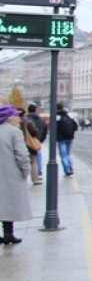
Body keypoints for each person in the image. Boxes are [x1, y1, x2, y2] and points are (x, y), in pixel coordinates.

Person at [0, 104, 32, 245]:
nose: (19, 119)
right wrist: (26, 171)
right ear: (9, 118)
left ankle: (7, 235)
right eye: (17, 116)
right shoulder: (14, 132)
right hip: (10, 174)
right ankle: (8, 234)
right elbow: (22, 155)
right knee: (8, 204)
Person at [19, 108, 43, 185]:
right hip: (29, 144)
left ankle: (23, 179)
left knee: (20, 162)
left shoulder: (14, 122)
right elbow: (34, 132)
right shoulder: (27, 121)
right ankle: (35, 179)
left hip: (19, 144)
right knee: (33, 162)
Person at [55, 102, 78, 176]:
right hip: (70, 138)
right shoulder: (68, 115)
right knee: (68, 154)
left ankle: (67, 170)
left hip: (61, 139)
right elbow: (75, 127)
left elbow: (54, 128)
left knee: (63, 155)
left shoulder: (57, 117)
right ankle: (71, 168)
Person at [26, 103, 47, 181]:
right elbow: (45, 130)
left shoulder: (25, 119)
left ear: (28, 110)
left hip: (27, 142)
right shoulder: (41, 120)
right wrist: (41, 140)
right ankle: (39, 172)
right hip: (37, 141)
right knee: (38, 156)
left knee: (29, 157)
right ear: (35, 110)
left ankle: (30, 173)